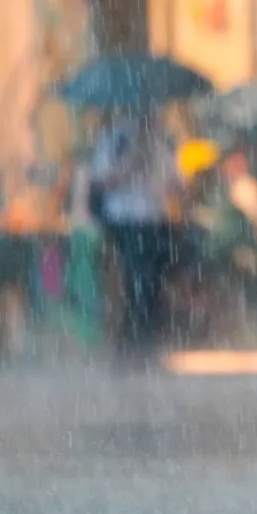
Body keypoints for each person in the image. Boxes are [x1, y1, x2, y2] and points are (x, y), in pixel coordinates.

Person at [89, 106, 186, 363]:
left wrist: (160, 172)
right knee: (133, 283)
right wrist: (131, 164)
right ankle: (128, 344)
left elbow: (177, 185)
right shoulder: (113, 141)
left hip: (152, 222)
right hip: (123, 223)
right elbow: (100, 181)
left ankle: (147, 344)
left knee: (151, 284)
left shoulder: (160, 144)